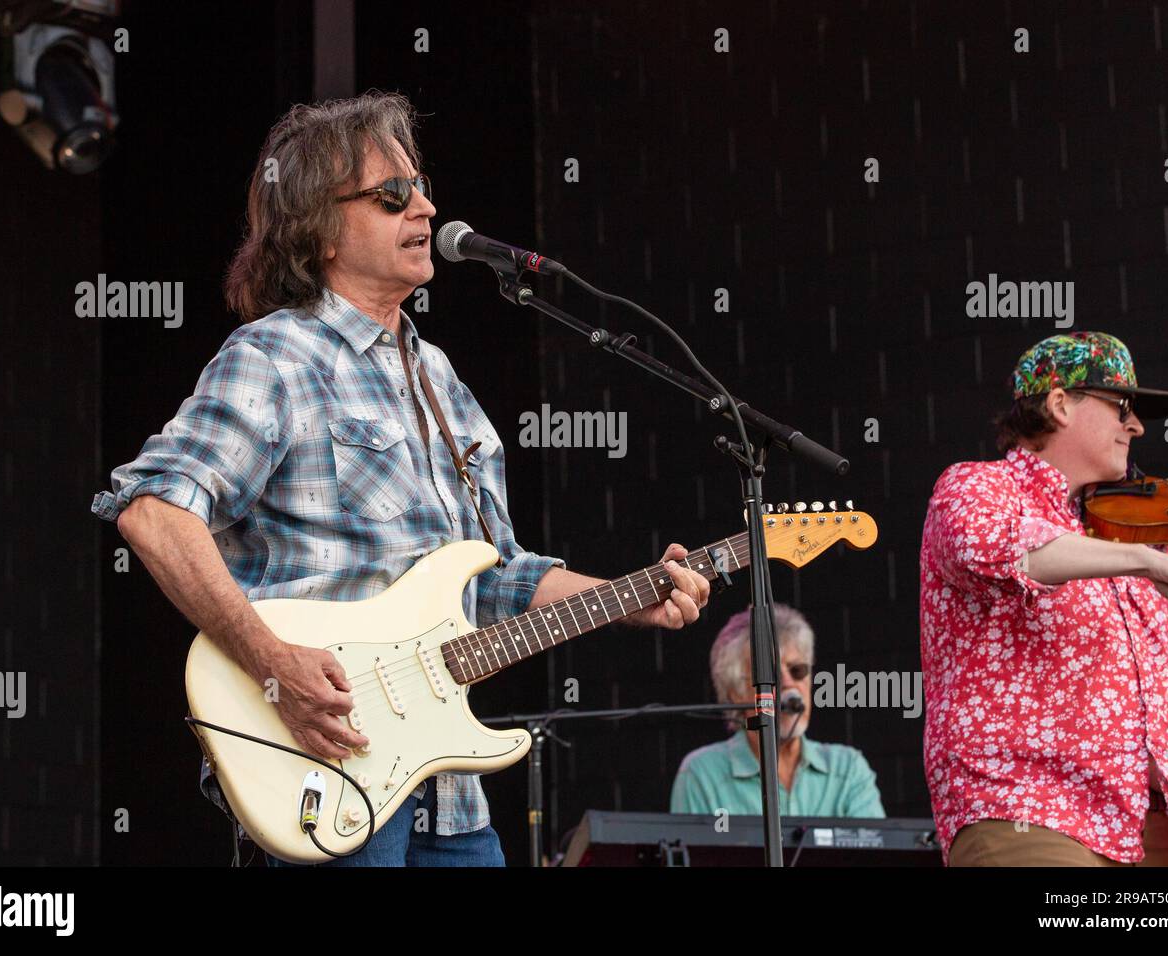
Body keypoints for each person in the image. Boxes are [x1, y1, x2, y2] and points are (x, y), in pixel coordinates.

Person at [91, 92, 711, 867]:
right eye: (393, 195)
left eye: (419, 186)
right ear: (319, 227)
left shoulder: (441, 380)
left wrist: (629, 595)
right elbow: (154, 511)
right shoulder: (277, 357)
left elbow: (497, 581)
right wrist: (270, 660)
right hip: (322, 777)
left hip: (449, 799)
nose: (425, 205)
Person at [921, 331, 1168, 867]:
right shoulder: (977, 488)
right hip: (1030, 815)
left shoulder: (1139, 534)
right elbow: (1001, 551)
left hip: (1147, 836)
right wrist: (1149, 562)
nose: (1135, 425)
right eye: (1122, 407)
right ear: (1059, 403)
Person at [670, 604, 885, 818]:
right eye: (770, 675)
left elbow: (876, 851)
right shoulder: (701, 774)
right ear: (735, 691)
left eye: (798, 670)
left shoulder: (848, 769)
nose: (789, 684)